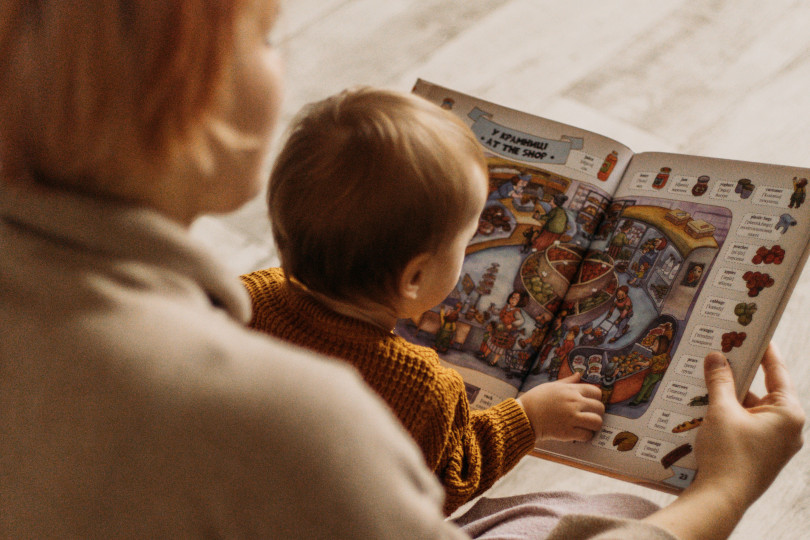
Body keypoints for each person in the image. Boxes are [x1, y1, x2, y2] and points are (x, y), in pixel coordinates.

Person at [1, 2, 803, 539]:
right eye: (266, 37)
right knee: (608, 505)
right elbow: (448, 476)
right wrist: (721, 491)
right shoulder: (291, 419)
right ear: (190, 85)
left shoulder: (237, 309)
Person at [241, 87, 605, 514]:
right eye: (465, 241)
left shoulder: (247, 294)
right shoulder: (423, 388)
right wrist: (529, 418)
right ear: (413, 277)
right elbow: (449, 481)